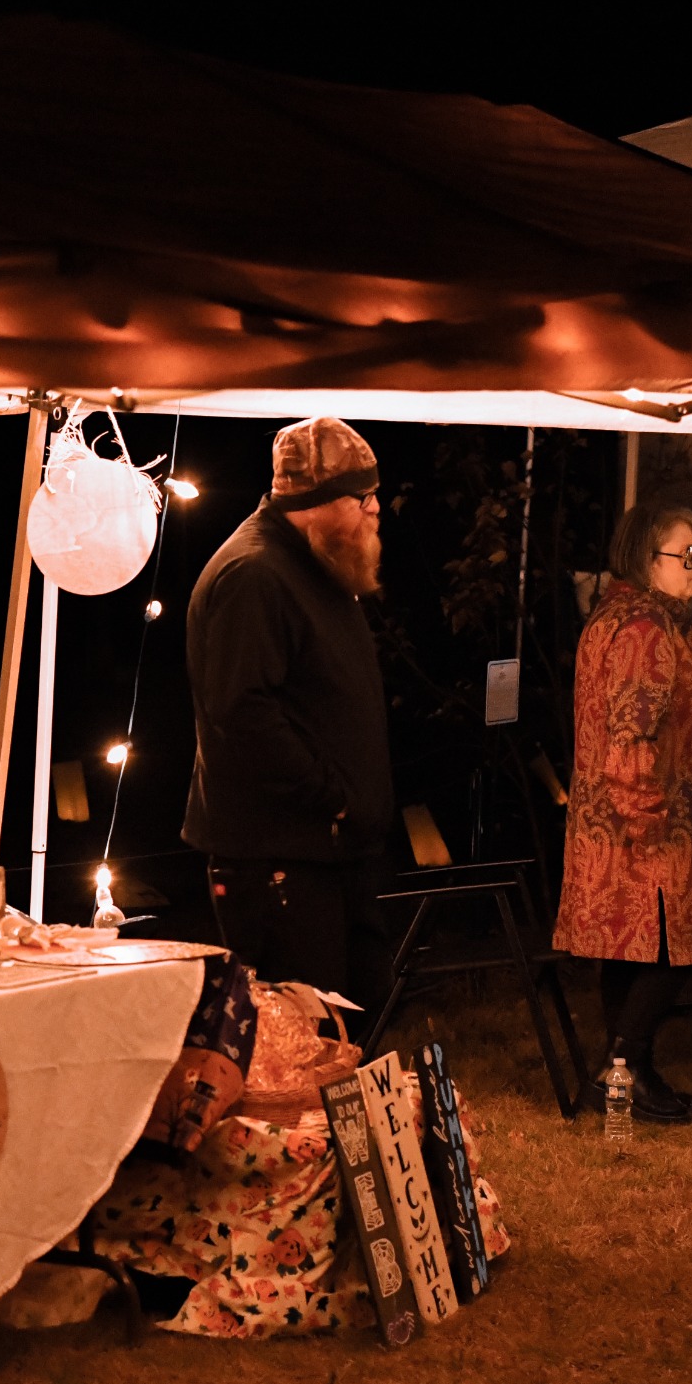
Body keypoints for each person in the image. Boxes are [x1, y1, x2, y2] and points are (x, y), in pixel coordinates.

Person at [183, 415, 393, 1008]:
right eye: (361, 497)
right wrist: (332, 795)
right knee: (303, 1029)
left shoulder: (315, 561)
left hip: (329, 853)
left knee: (358, 1020)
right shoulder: (254, 574)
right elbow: (241, 713)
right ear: (316, 503)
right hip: (279, 857)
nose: (376, 509)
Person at [555, 504, 692, 1123]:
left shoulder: (622, 617)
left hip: (613, 823)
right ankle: (617, 1070)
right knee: (670, 948)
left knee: (630, 951)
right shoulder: (644, 629)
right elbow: (633, 733)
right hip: (646, 824)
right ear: (645, 558)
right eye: (686, 555)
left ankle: (632, 1075)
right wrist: (650, 821)